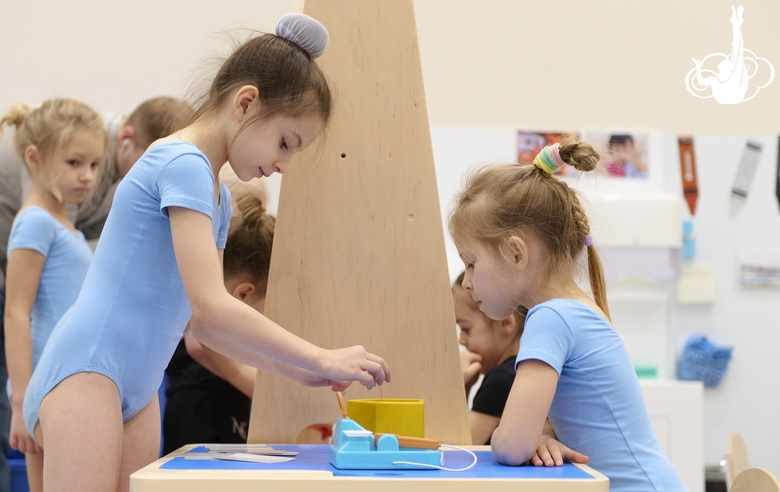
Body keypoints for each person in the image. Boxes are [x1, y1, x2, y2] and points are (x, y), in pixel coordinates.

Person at [22, 14, 390, 492]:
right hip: (89, 369)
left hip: (135, 387)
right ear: (246, 103)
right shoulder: (183, 164)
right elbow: (212, 307)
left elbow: (207, 330)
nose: (282, 165)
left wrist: (301, 372)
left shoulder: (217, 196)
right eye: (285, 142)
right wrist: (320, 357)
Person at [448, 136, 685, 490]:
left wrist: (517, 441)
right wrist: (538, 438)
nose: (467, 282)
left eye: (471, 263)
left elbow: (511, 445)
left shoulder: (551, 318)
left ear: (516, 253)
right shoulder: (572, 309)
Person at [1, 99, 107, 492]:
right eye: (75, 163)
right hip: (43, 385)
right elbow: (16, 313)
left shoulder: (63, 225)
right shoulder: (34, 223)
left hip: (63, 378)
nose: (88, 177)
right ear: (34, 158)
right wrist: (19, 405)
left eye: (95, 165)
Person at [163, 191, 274, 454]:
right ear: (244, 293)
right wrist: (281, 397)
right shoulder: (207, 317)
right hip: (201, 405)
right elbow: (199, 345)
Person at [455, 272, 527, 446]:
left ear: (505, 323)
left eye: (465, 329)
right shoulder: (522, 369)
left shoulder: (501, 379)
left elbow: (458, 449)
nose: (461, 340)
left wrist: (456, 386)